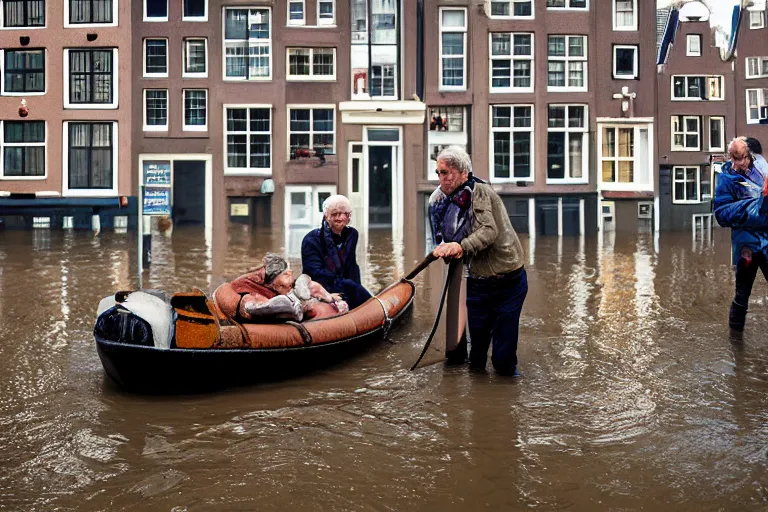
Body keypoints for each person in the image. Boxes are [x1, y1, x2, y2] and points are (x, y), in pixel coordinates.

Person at [429, 145, 528, 376]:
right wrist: (443, 246)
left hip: (507, 282)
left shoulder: (479, 192)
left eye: (446, 172)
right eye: (438, 173)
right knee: (477, 358)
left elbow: (488, 231)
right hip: (479, 282)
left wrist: (460, 246)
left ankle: (504, 398)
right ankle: (477, 398)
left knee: (503, 360)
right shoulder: (443, 200)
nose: (441, 178)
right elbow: (442, 235)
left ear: (463, 172)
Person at [713, 137, 768, 331]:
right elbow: (721, 214)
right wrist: (755, 207)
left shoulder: (764, 169)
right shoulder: (726, 180)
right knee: (742, 295)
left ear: (751, 157)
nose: (736, 164)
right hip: (746, 248)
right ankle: (736, 345)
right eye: (733, 158)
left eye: (741, 158)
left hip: (767, 243)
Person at [228, 253, 348, 323]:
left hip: (295, 298)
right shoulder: (251, 290)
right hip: (260, 304)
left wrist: (330, 298)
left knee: (307, 284)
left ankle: (329, 299)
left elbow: (307, 286)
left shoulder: (292, 284)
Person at [301, 195, 372, 310]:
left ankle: (368, 308)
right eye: (335, 214)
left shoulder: (352, 235)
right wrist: (349, 287)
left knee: (355, 288)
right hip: (322, 288)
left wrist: (357, 288)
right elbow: (315, 273)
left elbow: (351, 265)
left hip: (346, 285)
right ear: (326, 216)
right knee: (351, 287)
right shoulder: (311, 240)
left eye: (345, 214)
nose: (340, 218)